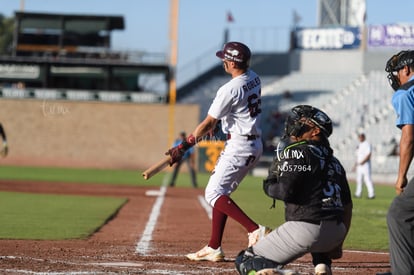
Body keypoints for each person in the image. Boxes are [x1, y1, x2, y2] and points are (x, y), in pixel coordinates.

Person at [165, 41, 267, 262]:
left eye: (225, 59)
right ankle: (214, 247)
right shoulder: (254, 77)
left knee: (213, 193)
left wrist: (182, 147)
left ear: (231, 62)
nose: (223, 62)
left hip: (239, 145)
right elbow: (238, 112)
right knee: (221, 192)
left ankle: (253, 229)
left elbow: (206, 123)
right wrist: (218, 126)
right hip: (253, 142)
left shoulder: (228, 89)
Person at [235, 105, 353, 275]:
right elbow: (347, 205)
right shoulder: (334, 161)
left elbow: (285, 192)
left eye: (303, 122)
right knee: (321, 209)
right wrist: (338, 243)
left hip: (307, 228)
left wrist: (269, 183)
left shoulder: (297, 151)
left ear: (315, 132)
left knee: (246, 261)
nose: (296, 124)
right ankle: (322, 266)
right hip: (335, 231)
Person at [384, 50, 414, 275]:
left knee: (399, 213)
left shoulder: (405, 93)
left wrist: (401, 175)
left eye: (397, 72)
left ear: (407, 69)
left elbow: (409, 137)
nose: (396, 78)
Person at [354, 133, 375, 199]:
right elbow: (358, 156)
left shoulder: (367, 144)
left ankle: (371, 194)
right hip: (359, 165)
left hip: (365, 165)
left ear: (363, 137)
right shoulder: (359, 145)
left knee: (367, 179)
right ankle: (358, 193)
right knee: (359, 180)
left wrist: (363, 162)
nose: (359, 139)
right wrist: (355, 165)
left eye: (360, 137)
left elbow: (369, 154)